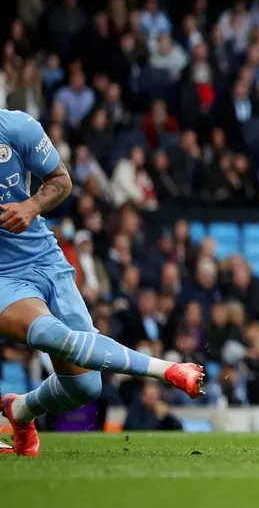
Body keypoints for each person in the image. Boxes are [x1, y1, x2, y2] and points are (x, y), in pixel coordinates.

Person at [0, 110, 203, 457]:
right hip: (4, 276)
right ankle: (167, 369)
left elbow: (61, 180)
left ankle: (20, 410)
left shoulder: (17, 126)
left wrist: (31, 206)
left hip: (46, 259)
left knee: (85, 386)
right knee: (50, 334)